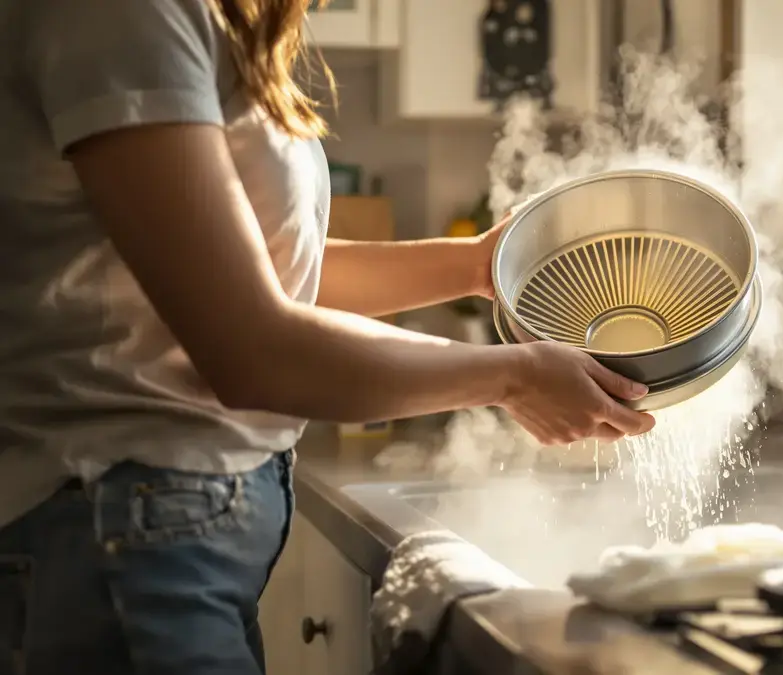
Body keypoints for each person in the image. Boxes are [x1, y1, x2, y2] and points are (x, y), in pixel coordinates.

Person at [0, 0, 656, 672]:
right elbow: (250, 345)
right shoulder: (127, 15)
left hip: (154, 532)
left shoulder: (203, 18)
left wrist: (479, 265)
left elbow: (267, 272)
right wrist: (513, 374)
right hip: (115, 537)